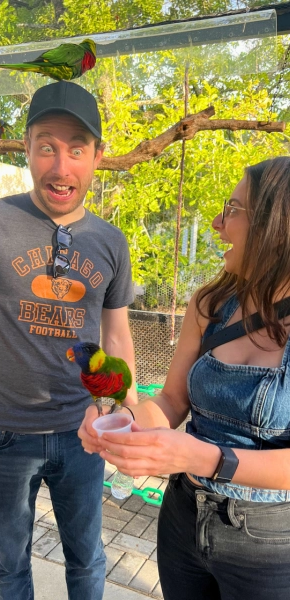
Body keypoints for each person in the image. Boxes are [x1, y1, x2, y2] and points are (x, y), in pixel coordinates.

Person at [0, 80, 138, 600]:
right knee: (9, 558)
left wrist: (121, 408)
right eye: (47, 147)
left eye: (77, 149)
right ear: (28, 150)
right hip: (4, 434)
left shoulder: (110, 242)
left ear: (98, 157)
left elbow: (117, 334)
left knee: (86, 557)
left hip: (83, 432)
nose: (61, 168)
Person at [79, 156, 290, 600]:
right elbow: (173, 400)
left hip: (270, 545)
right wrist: (125, 424)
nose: (217, 221)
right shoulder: (211, 303)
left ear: (276, 226)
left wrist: (203, 457)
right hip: (182, 517)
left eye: (233, 210)